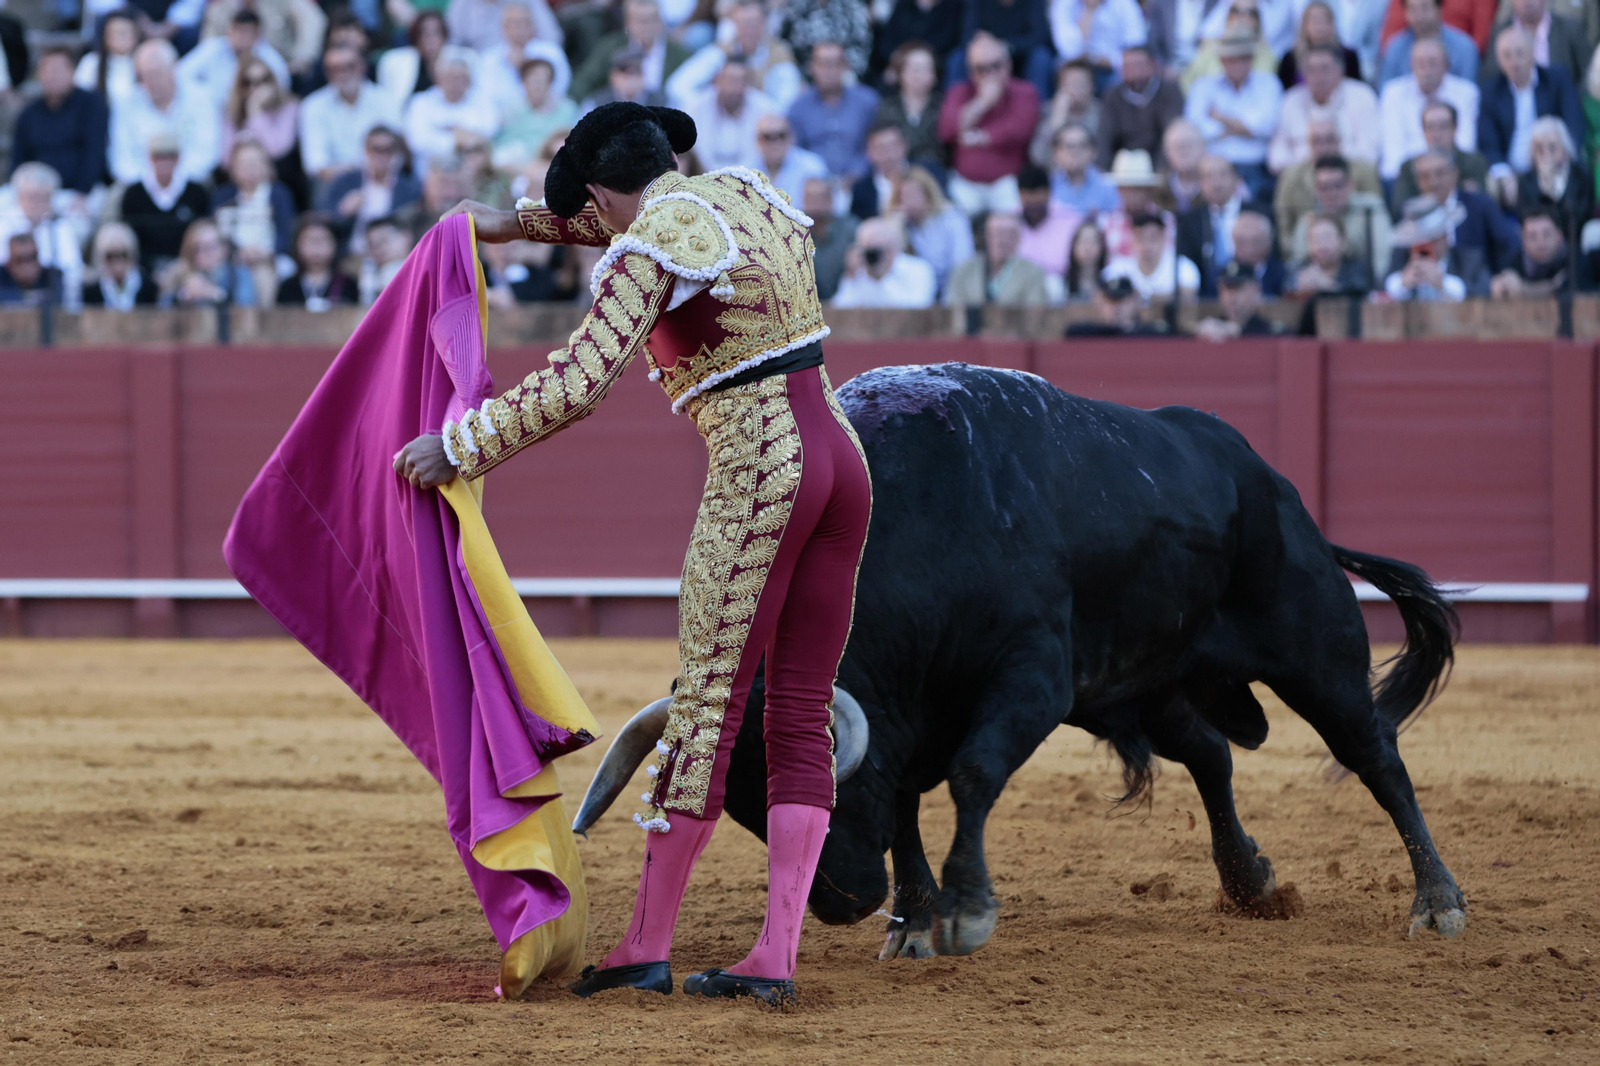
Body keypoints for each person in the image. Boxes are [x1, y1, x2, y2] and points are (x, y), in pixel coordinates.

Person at [393, 103, 872, 1008]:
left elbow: (579, 384)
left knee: (705, 709)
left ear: (601, 192)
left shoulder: (645, 245)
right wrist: (518, 224)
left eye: (589, 207)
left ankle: (647, 944)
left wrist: (460, 445)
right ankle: (775, 954)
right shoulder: (744, 191)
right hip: (841, 461)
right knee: (799, 709)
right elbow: (653, 226)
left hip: (763, 468)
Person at [937, 32, 1040, 215]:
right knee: (951, 217)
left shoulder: (1025, 91)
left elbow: (1021, 128)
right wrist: (982, 103)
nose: (990, 74)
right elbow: (947, 130)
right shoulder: (958, 92)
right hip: (965, 182)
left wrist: (980, 137)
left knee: (1011, 217)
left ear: (1008, 64)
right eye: (981, 69)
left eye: (996, 66)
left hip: (1007, 182)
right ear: (971, 71)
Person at [1478, 27, 1586, 188]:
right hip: (1511, 174)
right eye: (1507, 55)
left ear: (1532, 53)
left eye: (1520, 53)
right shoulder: (1491, 91)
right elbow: (1488, 141)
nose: (1514, 62)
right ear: (1499, 60)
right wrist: (1503, 173)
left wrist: (1560, 162)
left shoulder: (1557, 80)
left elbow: (1574, 124)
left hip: (1555, 164)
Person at [1183, 28, 1285, 198]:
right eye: (1231, 59)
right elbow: (1196, 131)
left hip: (1256, 166)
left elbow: (1267, 127)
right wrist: (1247, 128)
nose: (1237, 64)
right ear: (1221, 60)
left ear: (1252, 58)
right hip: (1212, 166)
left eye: (1243, 58)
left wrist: (1219, 118)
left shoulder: (1268, 83)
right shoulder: (1202, 86)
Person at [110, 38, 220, 186]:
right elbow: (121, 159)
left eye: (155, 74)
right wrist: (152, 184)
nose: (149, 82)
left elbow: (207, 153)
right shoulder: (126, 102)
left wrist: (172, 182)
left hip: (192, 183)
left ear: (173, 69)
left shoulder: (201, 97)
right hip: (139, 186)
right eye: (143, 76)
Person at [668, 0, 803, 112]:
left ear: (764, 23)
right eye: (743, 23)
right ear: (735, 24)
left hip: (763, 125)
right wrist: (708, 107)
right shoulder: (720, 52)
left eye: (754, 23)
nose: (749, 29)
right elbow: (677, 86)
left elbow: (787, 103)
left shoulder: (779, 55)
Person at [1377, 35, 1480, 180]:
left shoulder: (1466, 93)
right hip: (1406, 176)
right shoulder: (1393, 93)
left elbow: (1465, 143)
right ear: (1411, 65)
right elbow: (1393, 151)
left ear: (1447, 65)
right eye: (1420, 63)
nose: (1426, 70)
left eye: (1433, 63)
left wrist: (1438, 171)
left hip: (1452, 174)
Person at [1409, 148, 1522, 280]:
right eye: (1425, 176)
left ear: (1454, 174)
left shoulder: (1480, 206)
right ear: (1417, 182)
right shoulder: (1412, 214)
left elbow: (1509, 246)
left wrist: (1501, 277)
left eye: (1439, 173)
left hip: (1477, 286)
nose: (1433, 182)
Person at [1267, 44, 1381, 174]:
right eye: (1311, 70)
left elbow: (1369, 154)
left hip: (1350, 173)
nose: (1318, 76)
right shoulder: (1291, 100)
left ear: (1341, 71)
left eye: (1324, 69)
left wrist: (1330, 161)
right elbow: (1276, 156)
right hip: (1301, 175)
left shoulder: (1362, 96)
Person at [301, 45, 401, 189]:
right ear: (327, 74)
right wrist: (355, 177)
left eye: (350, 66)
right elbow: (316, 165)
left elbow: (396, 153)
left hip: (383, 179)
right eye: (336, 69)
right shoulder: (312, 106)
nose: (344, 74)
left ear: (362, 66)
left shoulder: (385, 99)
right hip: (335, 184)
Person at [14, 47, 107, 199]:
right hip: (36, 193)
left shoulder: (91, 105)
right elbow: (19, 160)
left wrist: (82, 192)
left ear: (72, 72)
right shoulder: (28, 114)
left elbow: (94, 152)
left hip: (79, 192)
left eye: (57, 69)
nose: (52, 76)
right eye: (46, 70)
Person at [316, 125, 423, 254]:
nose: (381, 155)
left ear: (395, 152)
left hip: (393, 256)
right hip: (351, 255)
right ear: (366, 150)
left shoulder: (408, 188)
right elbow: (323, 216)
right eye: (376, 149)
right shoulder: (346, 181)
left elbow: (413, 225)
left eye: (387, 150)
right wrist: (342, 210)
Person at [1288, 155, 1393, 285]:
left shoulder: (1370, 208)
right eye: (1324, 187)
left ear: (1351, 185)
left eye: (1337, 185)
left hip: (1362, 285)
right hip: (1315, 287)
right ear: (1315, 189)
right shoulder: (1307, 220)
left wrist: (1370, 286)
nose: (1331, 193)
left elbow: (1381, 258)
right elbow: (1298, 263)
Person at [119, 131, 212, 274]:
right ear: (150, 158)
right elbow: (128, 236)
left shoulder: (196, 193)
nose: (164, 162)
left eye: (170, 156)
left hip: (188, 270)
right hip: (141, 270)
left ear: (178, 158)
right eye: (158, 156)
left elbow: (202, 233)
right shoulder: (133, 194)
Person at [788, 40, 881, 179]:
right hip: (813, 183)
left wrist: (857, 174)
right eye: (824, 64)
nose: (829, 71)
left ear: (846, 66)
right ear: (812, 67)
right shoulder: (798, 108)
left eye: (835, 64)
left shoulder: (867, 102)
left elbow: (877, 145)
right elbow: (795, 152)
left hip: (861, 180)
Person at [1177, 154, 1267, 296]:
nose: (1216, 182)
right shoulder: (1190, 221)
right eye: (1208, 176)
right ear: (1200, 184)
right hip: (1206, 297)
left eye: (1222, 174)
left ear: (1236, 178)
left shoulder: (1259, 213)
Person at [572, 0, 690, 105]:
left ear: (661, 21)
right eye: (640, 20)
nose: (646, 26)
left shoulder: (679, 54)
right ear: (628, 23)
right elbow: (584, 80)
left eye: (652, 20)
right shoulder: (610, 47)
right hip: (617, 115)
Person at [475, 0, 572, 126]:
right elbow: (486, 97)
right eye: (511, 23)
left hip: (545, 119)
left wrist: (523, 66)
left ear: (532, 26)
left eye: (522, 22)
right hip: (503, 123)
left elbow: (559, 90)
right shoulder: (489, 59)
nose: (517, 28)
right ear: (502, 28)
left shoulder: (550, 53)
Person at [405, 46, 501, 172]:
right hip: (430, 172)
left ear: (469, 81)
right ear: (438, 79)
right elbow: (418, 141)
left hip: (475, 172)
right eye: (449, 77)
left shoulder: (483, 102)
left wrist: (448, 133)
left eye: (460, 78)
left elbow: (489, 132)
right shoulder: (421, 102)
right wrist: (456, 140)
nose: (454, 83)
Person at [177, 9, 290, 112]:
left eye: (245, 32)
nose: (240, 36)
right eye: (236, 30)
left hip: (254, 113)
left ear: (257, 34)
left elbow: (282, 89)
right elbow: (181, 73)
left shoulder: (270, 59)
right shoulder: (213, 48)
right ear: (229, 30)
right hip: (214, 111)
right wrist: (206, 93)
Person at [0, 164, 83, 304]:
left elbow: (72, 268)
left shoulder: (60, 226)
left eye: (43, 198)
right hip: (7, 292)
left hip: (50, 294)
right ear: (19, 196)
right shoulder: (3, 224)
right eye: (32, 198)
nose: (37, 204)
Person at [1096, 44, 1187, 171]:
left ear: (1153, 65)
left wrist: (1162, 171)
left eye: (1138, 65)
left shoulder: (1169, 91)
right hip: (1123, 165)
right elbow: (1105, 137)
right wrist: (1103, 172)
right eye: (1128, 66)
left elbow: (1172, 131)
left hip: (1161, 163)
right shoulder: (1112, 96)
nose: (1134, 70)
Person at [887, 165, 973, 297]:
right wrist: (897, 225)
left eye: (913, 194)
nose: (909, 201)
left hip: (950, 288)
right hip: (914, 292)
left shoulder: (952, 218)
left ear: (928, 195)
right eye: (904, 196)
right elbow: (889, 265)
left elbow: (962, 262)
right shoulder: (900, 223)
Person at [683, 55, 778, 171]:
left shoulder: (766, 109)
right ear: (717, 79)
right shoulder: (695, 106)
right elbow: (692, 150)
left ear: (749, 83)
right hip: (700, 173)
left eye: (739, 80)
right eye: (728, 79)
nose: (733, 86)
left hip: (751, 175)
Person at [219, 56, 301, 190]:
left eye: (263, 80)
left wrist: (255, 112)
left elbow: (277, 151)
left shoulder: (289, 106)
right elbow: (226, 159)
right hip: (240, 184)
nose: (255, 88)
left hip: (279, 181)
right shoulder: (232, 111)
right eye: (248, 82)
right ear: (240, 86)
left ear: (273, 81)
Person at [1389, 100, 1489, 209]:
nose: (1436, 134)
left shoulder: (1473, 162)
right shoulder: (1408, 166)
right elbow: (1400, 207)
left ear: (1455, 128)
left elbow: (1481, 201)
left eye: (1443, 126)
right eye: (1430, 127)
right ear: (1423, 131)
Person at [198, 0, 326, 83]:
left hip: (281, 71)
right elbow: (206, 47)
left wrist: (301, 60)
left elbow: (314, 21)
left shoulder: (285, 2)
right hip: (227, 77)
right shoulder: (219, 8)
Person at [952, 0, 1057, 98]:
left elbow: (1040, 36)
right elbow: (967, 36)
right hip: (985, 58)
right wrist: (987, 46)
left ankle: (1040, 105)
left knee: (1041, 57)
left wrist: (1005, 46)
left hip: (1022, 58)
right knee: (958, 58)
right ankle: (954, 103)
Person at [945, 210, 1050, 306]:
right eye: (997, 233)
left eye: (1008, 234)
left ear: (1018, 238)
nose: (1002, 240)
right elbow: (952, 308)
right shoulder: (963, 271)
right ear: (986, 236)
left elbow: (1036, 311)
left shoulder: (1032, 273)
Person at [492, 58, 580, 171]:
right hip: (511, 165)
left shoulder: (567, 109)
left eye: (542, 81)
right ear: (524, 83)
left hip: (550, 165)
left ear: (550, 83)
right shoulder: (511, 108)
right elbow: (499, 142)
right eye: (532, 81)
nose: (537, 86)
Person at [833, 214, 939, 307]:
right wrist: (851, 277)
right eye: (867, 250)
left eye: (876, 251)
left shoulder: (919, 270)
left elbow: (917, 309)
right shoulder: (858, 272)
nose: (871, 257)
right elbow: (840, 309)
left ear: (893, 249)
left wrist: (882, 277)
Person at [1480, 0, 1588, 89]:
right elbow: (1490, 76)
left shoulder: (1570, 29)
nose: (1526, 1)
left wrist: (1570, 100)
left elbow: (1587, 74)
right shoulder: (1500, 32)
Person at [1384, 194, 1470, 299]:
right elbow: (1384, 288)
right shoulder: (1403, 255)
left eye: (1432, 239)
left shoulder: (1462, 257)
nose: (1425, 247)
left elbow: (1472, 290)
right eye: (1419, 241)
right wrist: (1404, 282)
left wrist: (1442, 283)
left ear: (1444, 237)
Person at [1511, 116, 1594, 225]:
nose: (1546, 154)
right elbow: (1527, 221)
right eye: (1540, 149)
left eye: (1552, 147)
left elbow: (1583, 216)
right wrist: (1545, 187)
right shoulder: (1526, 182)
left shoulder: (1582, 175)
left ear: (1564, 147)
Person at [874, 41, 945, 168]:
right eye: (914, 68)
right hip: (895, 171)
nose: (918, 75)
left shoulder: (944, 105)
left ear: (934, 75)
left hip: (934, 171)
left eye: (925, 69)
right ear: (900, 72)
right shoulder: (886, 106)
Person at [159, 217, 258, 307]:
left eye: (210, 247)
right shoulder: (178, 272)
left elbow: (245, 308)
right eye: (197, 248)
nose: (204, 254)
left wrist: (215, 294)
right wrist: (181, 297)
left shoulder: (238, 274)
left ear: (224, 248)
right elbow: (161, 309)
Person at [1106, 208, 1202, 300]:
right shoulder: (1121, 266)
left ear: (1164, 239)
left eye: (1153, 238)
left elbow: (1188, 295)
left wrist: (1138, 296)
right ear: (1133, 240)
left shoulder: (1182, 267)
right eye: (1141, 238)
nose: (1147, 245)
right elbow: (1104, 288)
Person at [1378, 0, 1479, 87]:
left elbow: (1469, 93)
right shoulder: (1395, 49)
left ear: (1439, 8)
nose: (1419, 16)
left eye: (1425, 8)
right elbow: (1386, 92)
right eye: (1412, 9)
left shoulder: (1464, 49)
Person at [1491, 204, 1586, 296]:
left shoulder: (1576, 260)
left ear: (1559, 235)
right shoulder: (1515, 262)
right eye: (1533, 236)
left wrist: (1524, 289)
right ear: (1523, 240)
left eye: (1547, 234)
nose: (1541, 242)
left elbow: (1573, 291)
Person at [1048, 0, 1149, 84]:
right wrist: (1089, 10)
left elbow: (1136, 47)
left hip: (1113, 67)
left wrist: (1104, 60)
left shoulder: (1125, 4)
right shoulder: (1063, 4)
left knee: (1129, 70)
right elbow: (1069, 51)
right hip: (1078, 64)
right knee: (1067, 71)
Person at [1102, 148, 1176, 259]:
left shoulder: (1166, 220)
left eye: (1138, 188)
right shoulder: (1106, 221)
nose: (1132, 194)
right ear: (1119, 190)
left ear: (1148, 190)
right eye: (1126, 188)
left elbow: (1168, 259)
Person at [1276, 0, 1366, 88]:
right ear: (1305, 25)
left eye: (1324, 20)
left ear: (1332, 23)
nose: (1319, 25)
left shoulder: (1348, 57)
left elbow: (1357, 89)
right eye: (1314, 20)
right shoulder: (1290, 59)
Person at [276, 214, 359, 309]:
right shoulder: (288, 287)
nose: (316, 247)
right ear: (297, 245)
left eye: (323, 240)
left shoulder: (348, 284)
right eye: (310, 240)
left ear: (335, 244)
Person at [1030, 59, 1099, 171]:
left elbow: (1104, 157)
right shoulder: (1047, 111)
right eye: (1071, 84)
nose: (1076, 89)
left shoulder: (1102, 113)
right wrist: (1057, 119)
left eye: (1081, 83)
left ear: (1092, 86)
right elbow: (1038, 157)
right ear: (1060, 87)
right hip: (1054, 176)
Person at [1014, 164, 1081, 278]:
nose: (1033, 206)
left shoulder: (1071, 220)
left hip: (1059, 281)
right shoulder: (1009, 222)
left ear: (1048, 193)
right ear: (1020, 195)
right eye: (1029, 202)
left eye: (1038, 202)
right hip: (1018, 282)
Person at [871, 0, 966, 80]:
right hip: (897, 66)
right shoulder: (904, 5)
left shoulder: (952, 6)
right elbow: (886, 43)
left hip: (936, 68)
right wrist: (898, 63)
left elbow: (946, 42)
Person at [376, 11, 453, 109]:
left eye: (436, 33)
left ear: (444, 36)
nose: (431, 39)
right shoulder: (396, 62)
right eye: (425, 34)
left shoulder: (458, 60)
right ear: (417, 37)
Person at [1195, 258, 1286, 339]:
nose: (1232, 296)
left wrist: (1239, 332)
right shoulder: (1211, 329)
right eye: (1227, 289)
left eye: (1238, 288)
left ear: (1255, 290)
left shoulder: (1269, 332)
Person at [783, 0, 874, 76]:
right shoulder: (796, 7)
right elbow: (786, 44)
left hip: (846, 76)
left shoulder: (853, 7)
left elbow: (862, 46)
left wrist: (843, 73)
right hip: (803, 78)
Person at [81, 222, 160, 308]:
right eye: (110, 256)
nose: (117, 262)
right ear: (101, 258)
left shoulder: (148, 286)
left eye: (123, 255)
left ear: (132, 255)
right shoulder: (92, 290)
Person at [1290, 212, 1373, 293]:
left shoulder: (1358, 270)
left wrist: (1328, 286)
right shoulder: (1297, 269)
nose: (1322, 245)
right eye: (1316, 239)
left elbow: (1362, 295)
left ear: (1343, 242)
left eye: (1327, 237)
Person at [759, 113, 831, 207]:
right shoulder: (747, 169)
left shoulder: (812, 166)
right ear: (757, 140)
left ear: (792, 137)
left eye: (781, 135)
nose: (775, 143)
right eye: (767, 137)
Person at [76, 9, 142, 111]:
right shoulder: (91, 62)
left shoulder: (145, 62)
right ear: (105, 36)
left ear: (135, 36)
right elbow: (79, 99)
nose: (120, 38)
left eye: (124, 33)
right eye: (114, 33)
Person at [1050, 123, 1121, 214]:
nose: (1075, 152)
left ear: (1094, 152)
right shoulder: (1047, 186)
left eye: (1082, 146)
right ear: (1056, 153)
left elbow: (1116, 219)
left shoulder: (1108, 187)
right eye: (1069, 146)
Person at [1377, 0, 1498, 54]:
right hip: (1410, 51)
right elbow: (1392, 29)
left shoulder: (1465, 48)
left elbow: (1481, 36)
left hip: (1456, 53)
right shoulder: (1397, 48)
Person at [804, 175, 856, 300]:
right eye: (811, 198)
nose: (815, 204)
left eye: (820, 198)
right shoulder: (793, 231)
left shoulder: (850, 230)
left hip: (846, 299)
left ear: (831, 199)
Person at [1064, 274, 1168, 335]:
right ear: (1100, 303)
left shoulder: (1151, 334)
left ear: (1134, 301)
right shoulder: (1085, 334)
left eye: (1121, 301)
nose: (1115, 307)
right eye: (1110, 301)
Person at [446, 0, 562, 55]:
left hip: (527, 70)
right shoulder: (461, 5)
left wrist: (527, 53)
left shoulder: (531, 2)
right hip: (478, 76)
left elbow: (552, 39)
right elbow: (453, 46)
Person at [850, 121, 912, 219]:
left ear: (904, 145)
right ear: (869, 152)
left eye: (893, 146)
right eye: (881, 148)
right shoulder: (861, 190)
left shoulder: (927, 172)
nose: (889, 155)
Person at [583, 46, 667, 113]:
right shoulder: (596, 104)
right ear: (613, 76)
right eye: (624, 70)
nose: (631, 77)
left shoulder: (661, 103)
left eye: (637, 69)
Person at [1231, 208, 1287, 294]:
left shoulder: (1283, 274)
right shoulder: (1223, 275)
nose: (1249, 249)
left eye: (1255, 242)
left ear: (1268, 241)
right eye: (1242, 242)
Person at [0, 233, 63, 307]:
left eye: (32, 257)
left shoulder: (51, 275)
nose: (27, 266)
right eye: (19, 260)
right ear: (9, 261)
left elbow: (59, 302)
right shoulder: (2, 275)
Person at [1161, 119, 1207, 212]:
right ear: (1167, 152)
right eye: (1177, 147)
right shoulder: (1159, 189)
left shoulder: (1217, 182)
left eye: (1188, 145)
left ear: (1202, 147)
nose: (1183, 152)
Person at [1063, 218, 1108, 300]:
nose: (1087, 248)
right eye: (1083, 242)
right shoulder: (1061, 286)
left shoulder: (1111, 281)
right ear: (1073, 246)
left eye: (1093, 242)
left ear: (1102, 247)